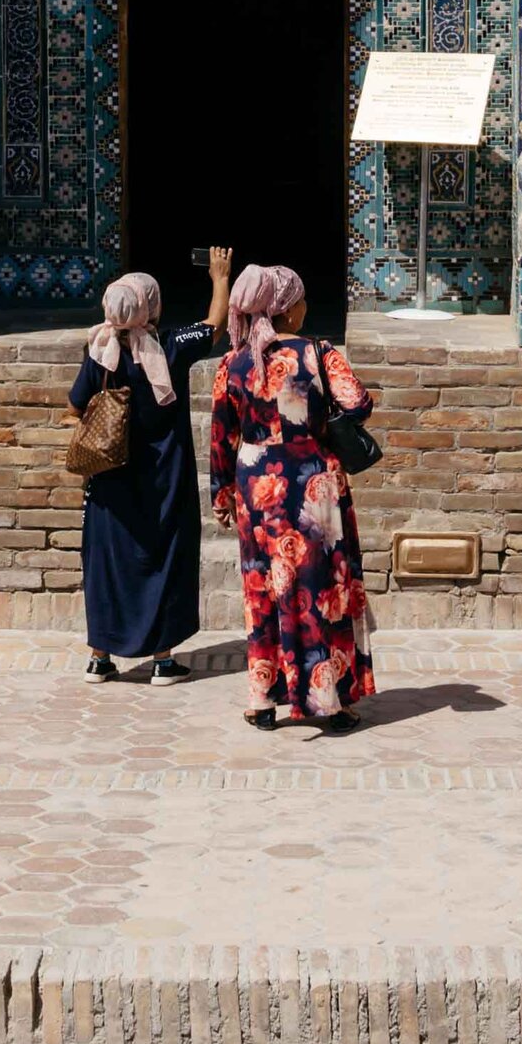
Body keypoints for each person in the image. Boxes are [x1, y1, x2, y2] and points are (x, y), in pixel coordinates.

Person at [207, 259, 377, 731]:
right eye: (299, 299)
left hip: (256, 487)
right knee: (319, 590)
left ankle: (262, 699)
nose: (305, 307)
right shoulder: (318, 354)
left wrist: (222, 495)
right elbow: (358, 403)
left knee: (263, 590)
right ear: (286, 309)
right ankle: (329, 702)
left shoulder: (233, 362)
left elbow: (220, 434)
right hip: (311, 484)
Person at [69, 253, 232, 682]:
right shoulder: (171, 348)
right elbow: (215, 326)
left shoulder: (99, 352)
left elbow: (74, 404)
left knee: (107, 563)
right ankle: (162, 658)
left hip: (110, 481)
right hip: (164, 478)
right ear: (151, 308)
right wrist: (220, 277)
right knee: (165, 559)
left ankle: (99, 657)